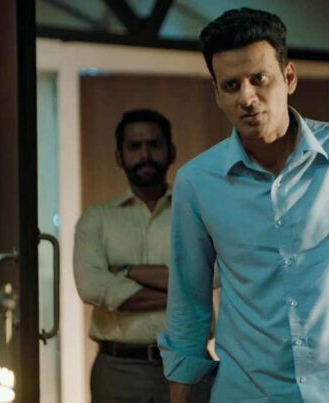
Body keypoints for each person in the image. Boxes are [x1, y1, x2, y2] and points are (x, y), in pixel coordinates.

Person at [158, 8, 329, 403]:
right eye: (232, 85)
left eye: (259, 79)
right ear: (217, 94)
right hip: (249, 393)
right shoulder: (197, 182)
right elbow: (188, 303)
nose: (247, 98)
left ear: (288, 77)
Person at [74, 109, 211, 402]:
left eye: (154, 144)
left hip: (189, 364)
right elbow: (92, 287)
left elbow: (213, 276)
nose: (145, 155)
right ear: (119, 157)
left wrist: (124, 272)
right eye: (135, 146)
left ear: (171, 152)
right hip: (118, 371)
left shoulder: (197, 214)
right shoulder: (96, 220)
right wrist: (183, 291)